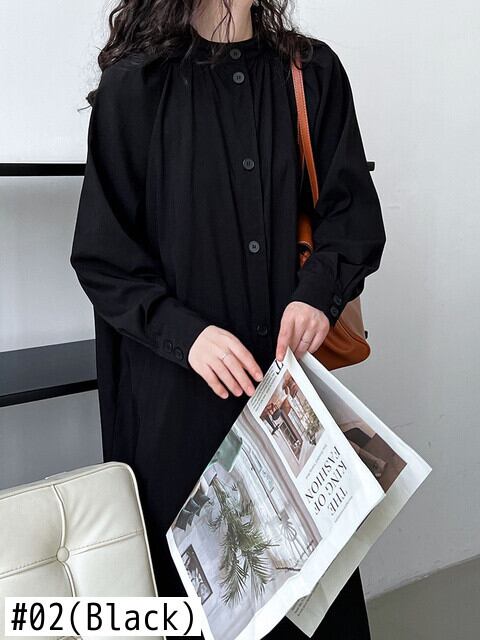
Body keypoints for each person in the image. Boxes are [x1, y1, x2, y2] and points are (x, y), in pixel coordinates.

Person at [70, 0, 386, 637]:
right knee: (204, 605)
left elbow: (351, 217)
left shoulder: (312, 72)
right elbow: (104, 259)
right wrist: (188, 336)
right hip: (178, 408)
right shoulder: (136, 86)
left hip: (286, 395)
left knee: (312, 602)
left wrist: (316, 294)